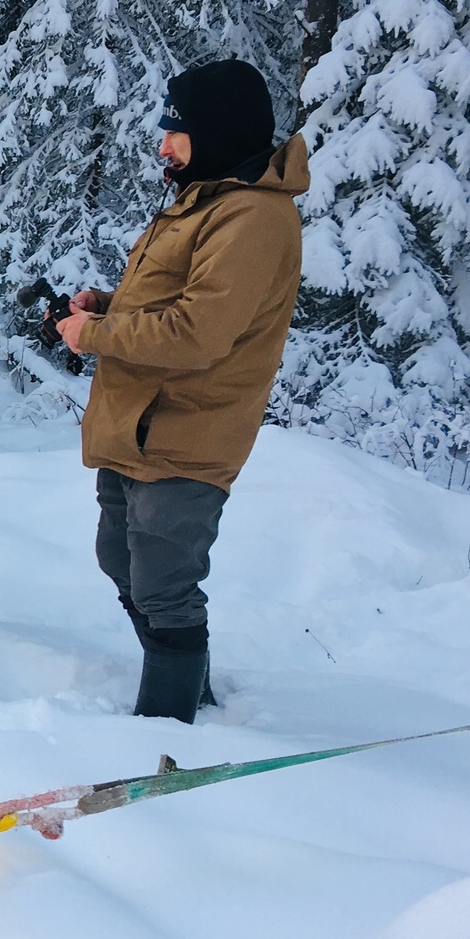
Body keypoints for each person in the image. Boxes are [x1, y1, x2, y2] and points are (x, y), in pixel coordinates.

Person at [55, 58, 306, 724]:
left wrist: (97, 336)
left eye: (176, 129)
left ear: (215, 130)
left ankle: (167, 732)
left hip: (188, 431)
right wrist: (104, 308)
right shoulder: (209, 200)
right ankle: (190, 687)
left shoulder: (252, 216)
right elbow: (177, 297)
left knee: (164, 581)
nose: (163, 143)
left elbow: (198, 333)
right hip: (139, 421)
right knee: (122, 559)